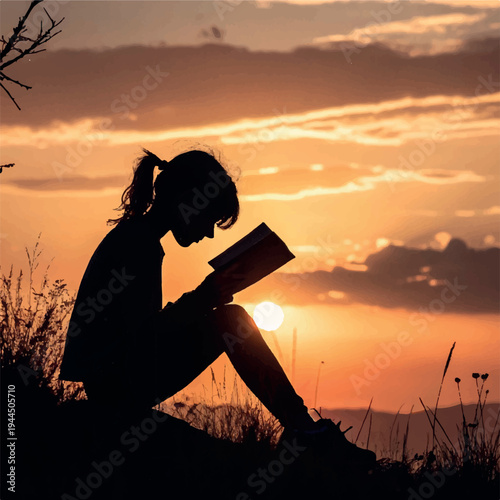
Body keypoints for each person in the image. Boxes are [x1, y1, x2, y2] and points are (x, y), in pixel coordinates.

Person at [58, 148, 375, 480]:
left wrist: (202, 300)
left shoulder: (138, 238)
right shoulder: (138, 244)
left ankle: (301, 429)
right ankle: (302, 431)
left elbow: (142, 331)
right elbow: (142, 336)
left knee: (229, 319)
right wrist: (203, 298)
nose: (207, 233)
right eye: (209, 219)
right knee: (231, 320)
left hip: (119, 381)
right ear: (188, 200)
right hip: (116, 387)